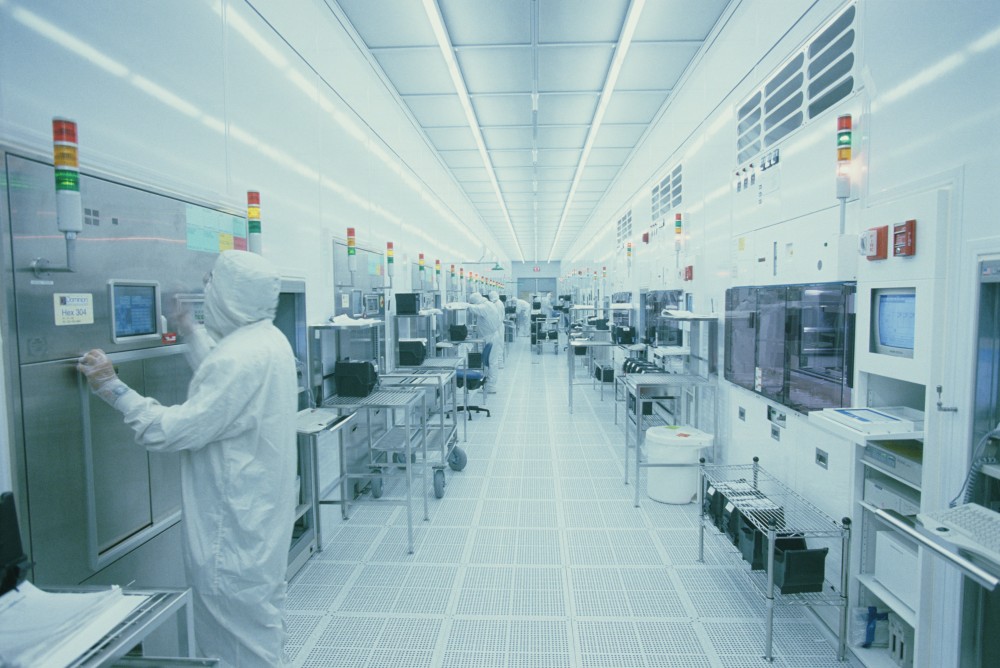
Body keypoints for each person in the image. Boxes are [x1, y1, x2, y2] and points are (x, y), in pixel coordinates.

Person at [77, 250, 298, 667]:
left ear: (232, 295)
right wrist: (188, 329)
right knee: (257, 626)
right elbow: (225, 391)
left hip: (229, 531)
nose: (205, 290)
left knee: (234, 642)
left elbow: (172, 430)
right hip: (258, 521)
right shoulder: (267, 341)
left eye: (212, 283)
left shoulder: (240, 357)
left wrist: (114, 388)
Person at [468, 292, 502, 393]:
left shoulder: (484, 307)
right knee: (490, 362)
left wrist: (461, 304)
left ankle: (491, 386)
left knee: (491, 362)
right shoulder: (489, 304)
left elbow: (473, 308)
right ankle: (488, 384)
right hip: (491, 335)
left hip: (490, 337)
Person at [488, 290, 506, 368]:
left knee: (498, 344)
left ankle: (499, 363)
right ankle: (499, 362)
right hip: (498, 326)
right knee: (499, 344)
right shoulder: (498, 302)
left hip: (497, 326)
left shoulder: (497, 304)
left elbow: (497, 317)